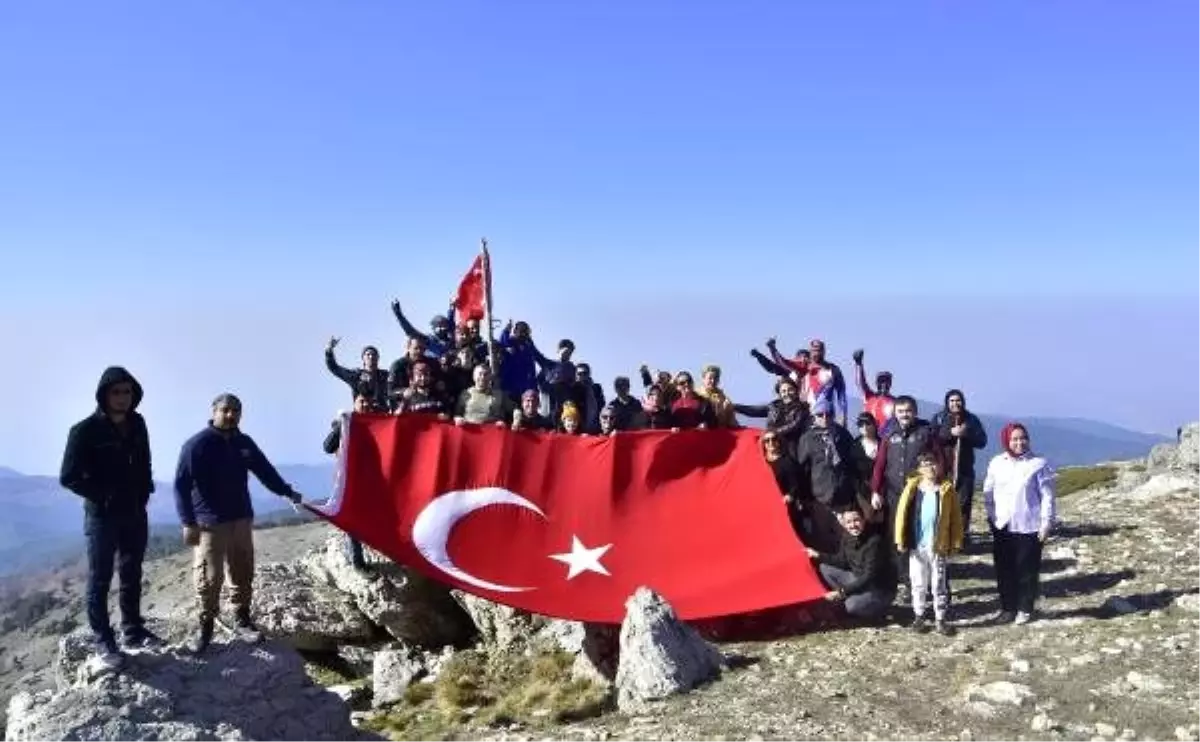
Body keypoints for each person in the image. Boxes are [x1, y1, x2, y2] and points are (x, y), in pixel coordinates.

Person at [174, 393, 304, 654]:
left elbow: (265, 471)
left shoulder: (244, 443)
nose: (231, 415)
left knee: (243, 571)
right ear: (214, 411)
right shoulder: (197, 445)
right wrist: (188, 522)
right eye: (226, 410)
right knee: (209, 577)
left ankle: (242, 619)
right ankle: (205, 627)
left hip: (241, 518)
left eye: (236, 411)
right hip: (210, 522)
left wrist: (287, 491)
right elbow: (180, 485)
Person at [59, 367, 162, 670]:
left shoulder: (138, 424)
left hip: (134, 512)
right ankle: (104, 640)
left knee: (132, 572)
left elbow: (145, 460)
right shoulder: (84, 430)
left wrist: (145, 490)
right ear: (104, 395)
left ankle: (132, 630)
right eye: (116, 392)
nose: (122, 398)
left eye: (127, 392)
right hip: (102, 518)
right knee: (100, 578)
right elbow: (69, 477)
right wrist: (103, 495)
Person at [983, 422, 1056, 626]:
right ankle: (1007, 608)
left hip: (1029, 525)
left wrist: (1046, 523)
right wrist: (991, 516)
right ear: (1007, 440)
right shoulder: (997, 462)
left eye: (1023, 438)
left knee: (1027, 569)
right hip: (1003, 525)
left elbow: (1048, 496)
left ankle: (1025, 608)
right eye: (1014, 439)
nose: (1019, 442)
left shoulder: (1039, 464)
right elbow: (988, 491)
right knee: (1004, 569)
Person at [870, 395, 942, 596]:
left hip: (920, 494)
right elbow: (880, 465)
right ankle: (905, 582)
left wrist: (939, 484)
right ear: (895, 413)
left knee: (920, 536)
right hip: (894, 495)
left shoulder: (926, 432)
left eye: (908, 411)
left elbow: (939, 459)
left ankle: (925, 581)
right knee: (898, 536)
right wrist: (876, 490)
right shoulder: (888, 434)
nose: (904, 415)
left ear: (915, 412)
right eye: (900, 411)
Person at [893, 452, 963, 635]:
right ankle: (919, 616)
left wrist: (955, 542)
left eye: (933, 463)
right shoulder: (912, 489)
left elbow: (956, 518)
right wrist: (900, 539)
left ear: (939, 466)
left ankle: (940, 619)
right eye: (925, 464)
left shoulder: (947, 490)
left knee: (939, 583)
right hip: (917, 545)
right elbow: (901, 515)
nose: (930, 468)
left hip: (938, 546)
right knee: (918, 582)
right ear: (919, 469)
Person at [804, 506, 895, 621]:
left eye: (856, 520)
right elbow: (842, 561)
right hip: (857, 579)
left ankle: (878, 611)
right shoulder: (847, 537)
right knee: (825, 567)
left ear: (864, 520)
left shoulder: (875, 542)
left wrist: (841, 592)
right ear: (844, 523)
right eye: (848, 522)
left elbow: (869, 577)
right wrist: (818, 555)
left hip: (878, 588)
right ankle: (853, 598)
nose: (853, 525)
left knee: (851, 607)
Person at [793, 398, 859, 552]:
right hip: (820, 495)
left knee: (845, 536)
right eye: (820, 415)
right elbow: (802, 469)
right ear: (814, 417)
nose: (824, 418)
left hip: (844, 493)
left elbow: (853, 461)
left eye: (828, 414)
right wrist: (803, 497)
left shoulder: (842, 434)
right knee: (821, 537)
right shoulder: (807, 438)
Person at [323, 391, 374, 572]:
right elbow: (327, 447)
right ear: (354, 403)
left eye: (368, 402)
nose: (365, 406)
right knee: (351, 519)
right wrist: (341, 426)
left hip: (370, 480)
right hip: (348, 481)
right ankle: (357, 561)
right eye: (362, 402)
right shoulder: (345, 423)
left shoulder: (377, 424)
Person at [931, 389, 988, 543]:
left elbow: (982, 441)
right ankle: (942, 536)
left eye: (958, 400)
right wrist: (949, 433)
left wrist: (966, 434)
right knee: (942, 503)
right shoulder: (939, 418)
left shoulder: (971, 419)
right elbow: (931, 439)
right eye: (952, 401)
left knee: (962, 504)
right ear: (947, 403)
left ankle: (960, 538)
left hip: (965, 470)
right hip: (944, 470)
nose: (955, 403)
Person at [323, 337, 389, 411]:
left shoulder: (385, 376)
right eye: (368, 355)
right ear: (363, 359)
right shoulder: (356, 375)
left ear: (378, 358)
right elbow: (334, 368)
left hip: (381, 414)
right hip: (362, 413)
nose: (371, 357)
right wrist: (329, 351)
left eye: (374, 354)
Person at [852, 349, 895, 434]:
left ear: (890, 383)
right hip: (869, 437)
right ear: (876, 383)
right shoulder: (869, 397)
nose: (884, 384)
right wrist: (859, 364)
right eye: (881, 381)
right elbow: (860, 383)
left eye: (887, 381)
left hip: (885, 440)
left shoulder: (896, 402)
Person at [497, 320, 541, 402]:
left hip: (525, 389)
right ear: (515, 331)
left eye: (525, 332)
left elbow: (532, 370)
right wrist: (506, 330)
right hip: (509, 387)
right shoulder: (510, 343)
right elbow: (502, 343)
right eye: (521, 331)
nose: (523, 334)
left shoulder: (529, 347)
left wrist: (535, 389)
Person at [574, 363, 607, 434]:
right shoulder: (573, 390)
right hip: (580, 429)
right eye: (579, 374)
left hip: (596, 428)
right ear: (576, 375)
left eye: (585, 373)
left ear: (589, 374)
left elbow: (602, 405)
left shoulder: (597, 388)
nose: (582, 376)